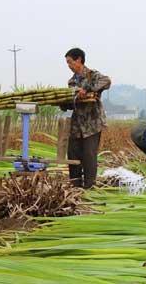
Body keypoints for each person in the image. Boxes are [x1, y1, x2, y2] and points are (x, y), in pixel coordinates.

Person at [60, 48, 111, 189]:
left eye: (70, 62)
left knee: (89, 156)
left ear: (79, 60)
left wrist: (87, 89)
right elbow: (72, 103)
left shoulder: (91, 75)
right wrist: (64, 103)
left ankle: (90, 188)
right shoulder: (71, 82)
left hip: (92, 124)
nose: (68, 66)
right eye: (67, 63)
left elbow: (106, 81)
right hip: (77, 124)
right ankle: (75, 187)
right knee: (72, 154)